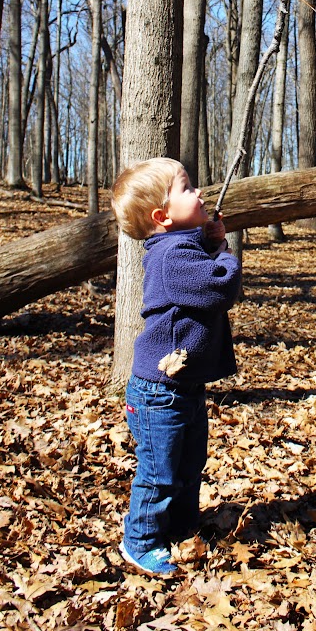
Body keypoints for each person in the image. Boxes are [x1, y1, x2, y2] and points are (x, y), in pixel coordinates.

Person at [111, 158, 242, 576]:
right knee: (160, 471)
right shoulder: (170, 257)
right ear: (161, 217)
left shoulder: (179, 248)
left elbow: (196, 266)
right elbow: (217, 286)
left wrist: (210, 243)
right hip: (158, 394)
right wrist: (225, 253)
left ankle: (183, 526)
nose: (199, 192)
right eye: (186, 189)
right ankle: (140, 540)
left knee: (189, 462)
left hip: (180, 385)